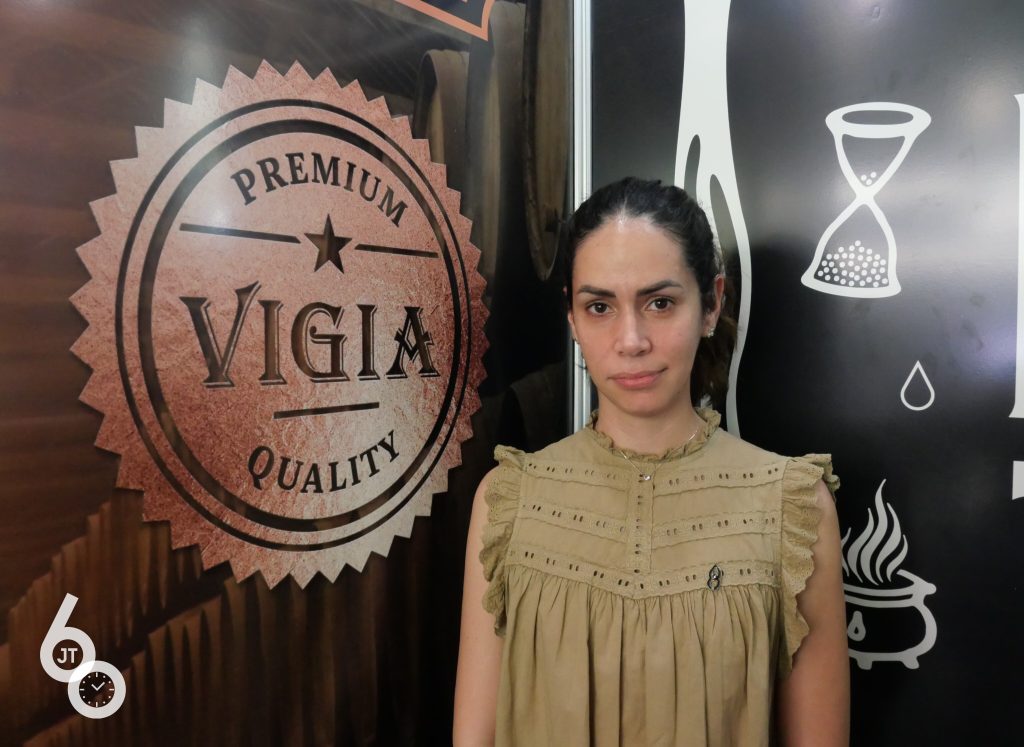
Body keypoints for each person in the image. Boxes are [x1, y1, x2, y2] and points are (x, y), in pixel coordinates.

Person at [453, 178, 849, 746]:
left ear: (711, 303)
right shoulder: (505, 505)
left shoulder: (795, 509)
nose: (631, 340)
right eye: (600, 307)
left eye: (660, 303)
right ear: (572, 318)